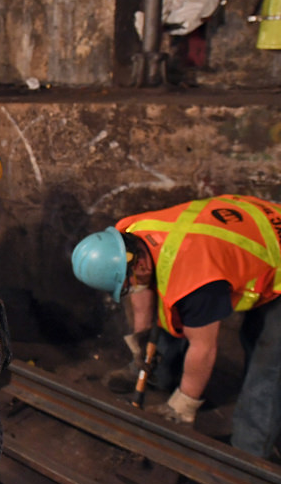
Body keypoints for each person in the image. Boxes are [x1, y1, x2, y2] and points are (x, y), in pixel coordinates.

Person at [72, 194, 281, 458]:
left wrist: (184, 406)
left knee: (268, 360)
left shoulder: (196, 280)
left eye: (126, 282)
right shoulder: (128, 234)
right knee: (173, 309)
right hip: (245, 223)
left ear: (139, 263)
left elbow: (203, 348)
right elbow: (139, 287)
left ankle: (250, 453)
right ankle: (156, 374)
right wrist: (140, 342)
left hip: (271, 250)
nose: (130, 288)